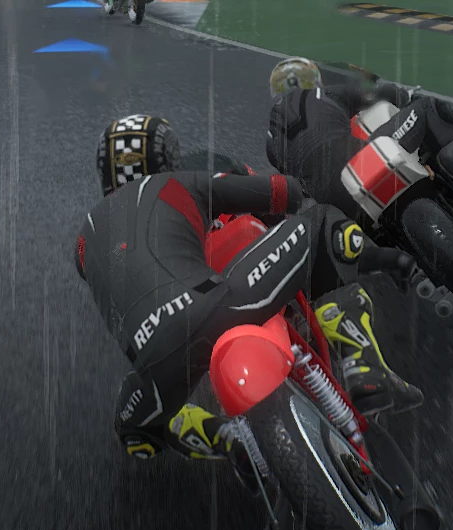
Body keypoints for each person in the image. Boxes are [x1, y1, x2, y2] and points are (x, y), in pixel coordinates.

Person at [76, 114, 421, 460]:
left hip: (157, 360)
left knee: (135, 427)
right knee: (322, 225)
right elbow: (281, 195)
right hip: (221, 295)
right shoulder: (184, 179)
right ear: (168, 158)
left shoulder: (86, 242)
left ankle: (229, 441)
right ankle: (363, 363)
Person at [264, 56, 453, 222]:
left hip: (333, 207)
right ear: (314, 80)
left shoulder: (272, 144)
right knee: (430, 108)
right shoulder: (325, 95)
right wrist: (404, 95)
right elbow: (379, 93)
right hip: (356, 168)